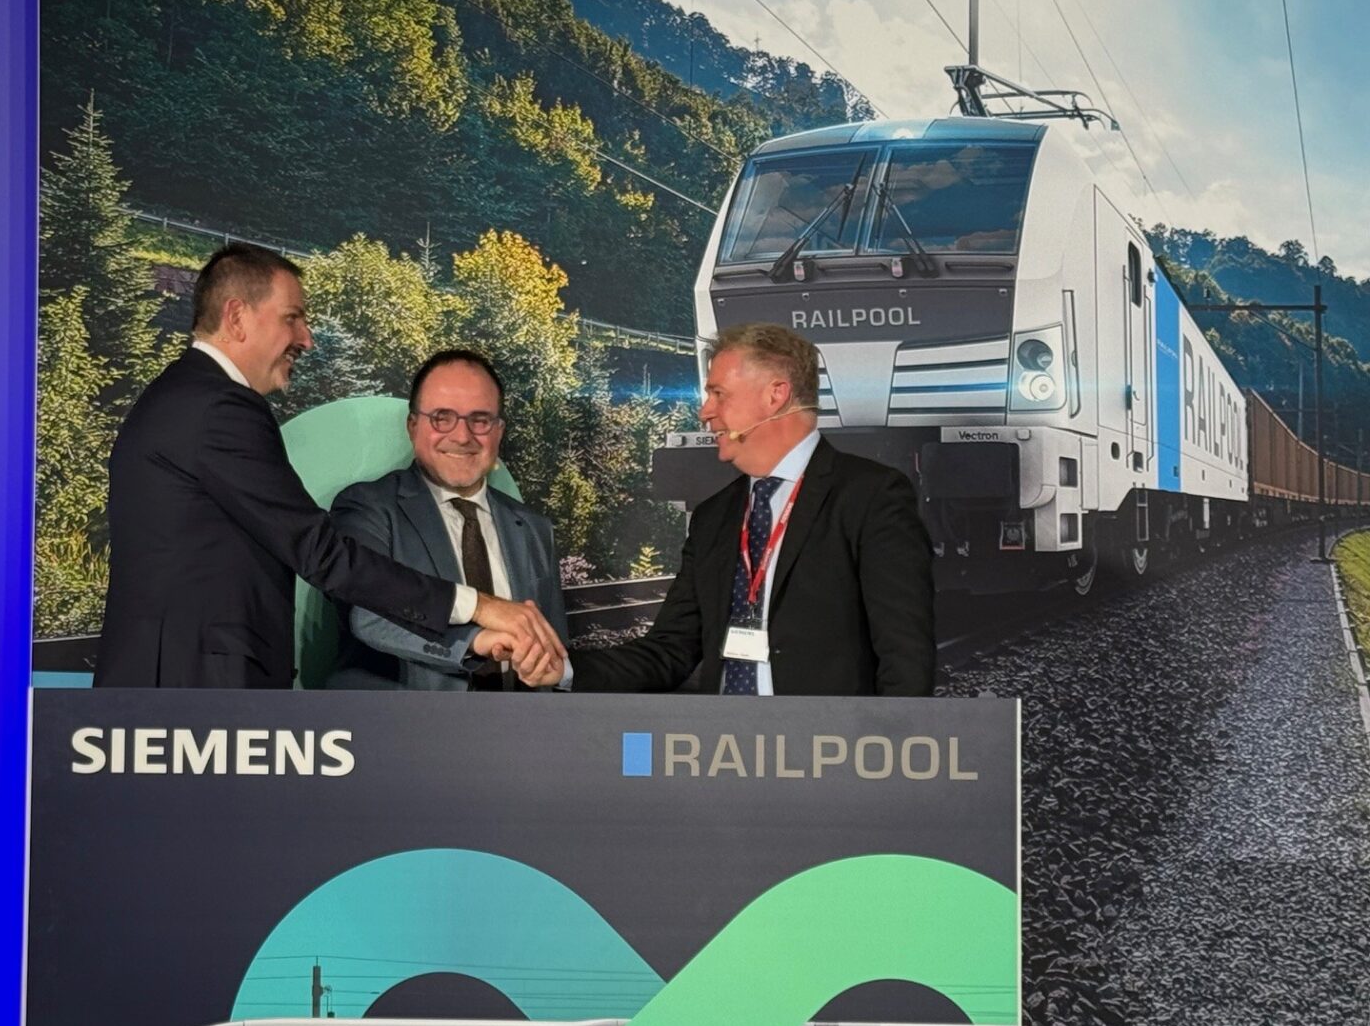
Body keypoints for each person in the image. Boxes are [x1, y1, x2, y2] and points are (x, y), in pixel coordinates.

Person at [98, 243, 562, 688]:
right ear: (236, 317)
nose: (306, 338)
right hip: (188, 691)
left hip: (175, 684)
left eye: (480, 419)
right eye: (292, 318)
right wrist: (479, 606)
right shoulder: (221, 407)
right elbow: (321, 553)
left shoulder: (185, 396)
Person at [523, 322, 933, 696]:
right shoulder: (713, 517)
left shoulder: (871, 496)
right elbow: (669, 652)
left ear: (775, 395)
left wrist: (889, 749)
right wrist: (564, 670)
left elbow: (906, 659)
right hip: (725, 747)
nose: (705, 411)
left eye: (719, 394)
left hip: (826, 747)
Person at [327, 350, 568, 691]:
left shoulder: (533, 528)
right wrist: (474, 640)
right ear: (413, 427)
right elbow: (367, 616)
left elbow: (554, 647)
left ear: (499, 431)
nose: (462, 436)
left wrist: (554, 674)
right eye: (442, 417)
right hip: (400, 721)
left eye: (480, 420)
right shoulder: (368, 508)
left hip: (517, 721)